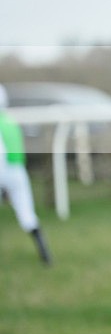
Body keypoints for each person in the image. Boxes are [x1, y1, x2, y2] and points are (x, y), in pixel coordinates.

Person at [0, 83, 51, 265]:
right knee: (27, 214)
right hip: (17, 173)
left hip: (4, 170)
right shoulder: (10, 122)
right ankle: (45, 253)